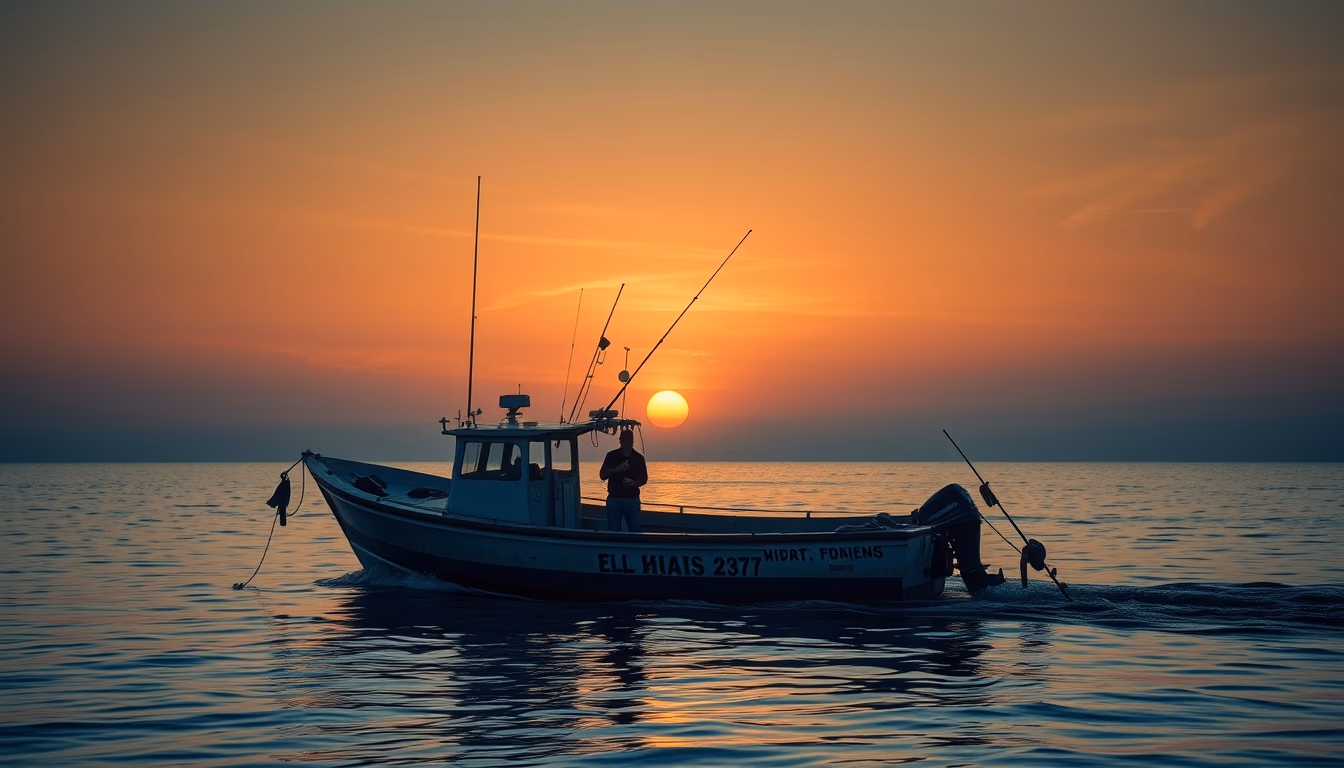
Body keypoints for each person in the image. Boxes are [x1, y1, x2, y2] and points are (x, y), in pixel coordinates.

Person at [599, 429, 647, 532]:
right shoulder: (611, 456)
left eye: (628, 440)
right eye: (624, 440)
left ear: (632, 441)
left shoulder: (638, 458)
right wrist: (616, 470)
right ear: (620, 441)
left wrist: (634, 483)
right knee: (613, 530)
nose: (626, 443)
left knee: (635, 529)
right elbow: (602, 475)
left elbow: (644, 478)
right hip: (614, 499)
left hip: (632, 499)